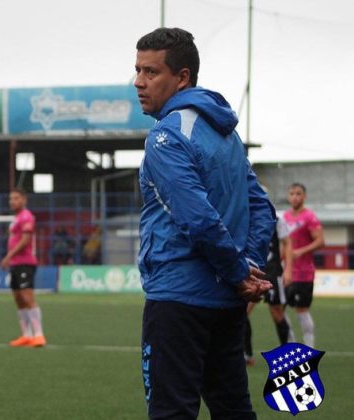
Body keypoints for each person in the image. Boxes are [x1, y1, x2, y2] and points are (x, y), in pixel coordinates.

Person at [135, 28, 276, 420]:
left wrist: (239, 272)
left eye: (151, 72)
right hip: (226, 301)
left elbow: (197, 218)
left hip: (178, 298)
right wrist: (246, 267)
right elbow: (263, 208)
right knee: (234, 409)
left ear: (182, 77)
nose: (139, 82)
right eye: (138, 70)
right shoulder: (225, 134)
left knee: (171, 412)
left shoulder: (166, 136)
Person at [244, 216, 294, 366]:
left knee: (277, 312)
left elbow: (287, 243)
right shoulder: (246, 217)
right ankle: (247, 354)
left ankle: (287, 352)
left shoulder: (277, 220)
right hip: (253, 270)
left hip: (273, 272)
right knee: (243, 312)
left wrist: (288, 269)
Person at [0, 188, 46, 347]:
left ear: (24, 200)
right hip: (15, 264)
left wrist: (8, 256)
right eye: (11, 199)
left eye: (16, 198)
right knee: (18, 299)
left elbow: (25, 240)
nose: (12, 201)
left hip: (25, 263)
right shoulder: (17, 218)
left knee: (28, 298)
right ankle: (26, 335)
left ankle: (39, 335)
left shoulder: (27, 217)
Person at [283, 182, 324, 347]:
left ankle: (308, 347)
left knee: (301, 310)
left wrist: (300, 251)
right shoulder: (284, 217)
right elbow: (283, 244)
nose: (295, 197)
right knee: (279, 308)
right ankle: (291, 344)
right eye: (292, 194)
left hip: (304, 273)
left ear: (304, 197)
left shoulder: (309, 217)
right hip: (286, 272)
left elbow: (320, 241)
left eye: (298, 194)